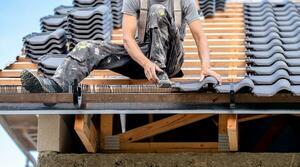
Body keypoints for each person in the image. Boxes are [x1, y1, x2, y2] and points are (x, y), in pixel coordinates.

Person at [21, 0, 222, 93]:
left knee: (158, 11)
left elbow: (200, 36)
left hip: (171, 61)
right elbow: (127, 38)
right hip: (142, 59)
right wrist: (145, 63)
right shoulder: (134, 1)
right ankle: (57, 85)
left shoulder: (184, 2)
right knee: (86, 46)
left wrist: (206, 67)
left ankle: (160, 76)